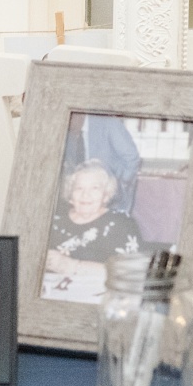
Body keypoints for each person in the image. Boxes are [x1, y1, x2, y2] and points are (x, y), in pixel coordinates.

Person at [41, 159, 142, 302]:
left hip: (101, 304)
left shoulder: (121, 223)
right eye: (79, 188)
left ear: (106, 195)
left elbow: (130, 273)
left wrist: (71, 266)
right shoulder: (53, 222)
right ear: (70, 194)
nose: (85, 195)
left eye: (94, 188)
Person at [59, 112, 141, 215]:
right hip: (82, 198)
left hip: (111, 196)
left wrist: (123, 182)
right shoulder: (66, 129)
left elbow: (131, 156)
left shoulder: (108, 122)